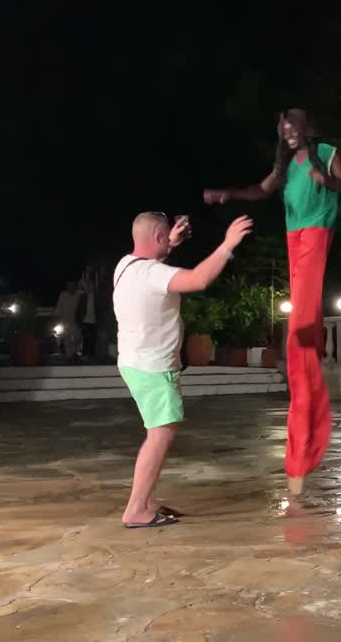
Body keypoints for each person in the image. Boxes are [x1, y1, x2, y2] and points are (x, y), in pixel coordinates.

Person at [202, 109, 341, 497]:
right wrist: (229, 194)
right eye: (282, 132)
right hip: (293, 236)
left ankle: (305, 339)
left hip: (317, 231)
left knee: (302, 321)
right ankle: (306, 338)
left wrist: (327, 180)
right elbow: (260, 191)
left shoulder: (327, 152)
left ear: (306, 130)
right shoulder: (284, 166)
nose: (287, 136)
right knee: (300, 323)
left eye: (292, 130)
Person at [113, 212, 252, 528]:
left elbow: (152, 266)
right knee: (161, 432)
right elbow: (200, 279)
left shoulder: (125, 265)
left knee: (160, 430)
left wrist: (169, 244)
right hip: (152, 366)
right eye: (166, 238)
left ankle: (146, 501)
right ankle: (136, 509)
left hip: (135, 361)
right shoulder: (152, 273)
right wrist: (228, 244)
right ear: (158, 238)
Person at [56, 281, 84, 361]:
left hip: (76, 321)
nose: (71, 287)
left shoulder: (80, 294)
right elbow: (59, 307)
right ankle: (69, 356)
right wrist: (58, 319)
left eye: (72, 286)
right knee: (67, 339)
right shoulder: (63, 295)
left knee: (78, 338)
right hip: (66, 321)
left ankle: (75, 353)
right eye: (69, 286)